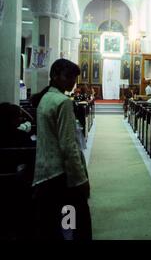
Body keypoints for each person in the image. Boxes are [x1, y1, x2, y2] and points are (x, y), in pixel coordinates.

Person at [32, 59, 91, 240]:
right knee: (74, 223)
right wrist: (81, 180)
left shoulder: (45, 98)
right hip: (62, 177)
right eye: (68, 77)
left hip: (44, 174)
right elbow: (68, 146)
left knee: (51, 228)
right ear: (55, 76)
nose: (72, 82)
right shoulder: (63, 102)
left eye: (74, 78)